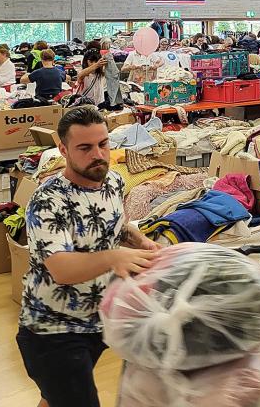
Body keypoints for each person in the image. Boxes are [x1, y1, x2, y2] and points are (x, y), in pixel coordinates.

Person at [16, 106, 159, 407]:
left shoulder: (113, 182)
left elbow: (114, 225)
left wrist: (141, 240)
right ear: (63, 149)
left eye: (103, 144)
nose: (98, 154)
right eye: (85, 147)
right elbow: (61, 269)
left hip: (98, 319)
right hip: (52, 330)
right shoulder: (48, 200)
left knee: (56, 396)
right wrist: (113, 258)